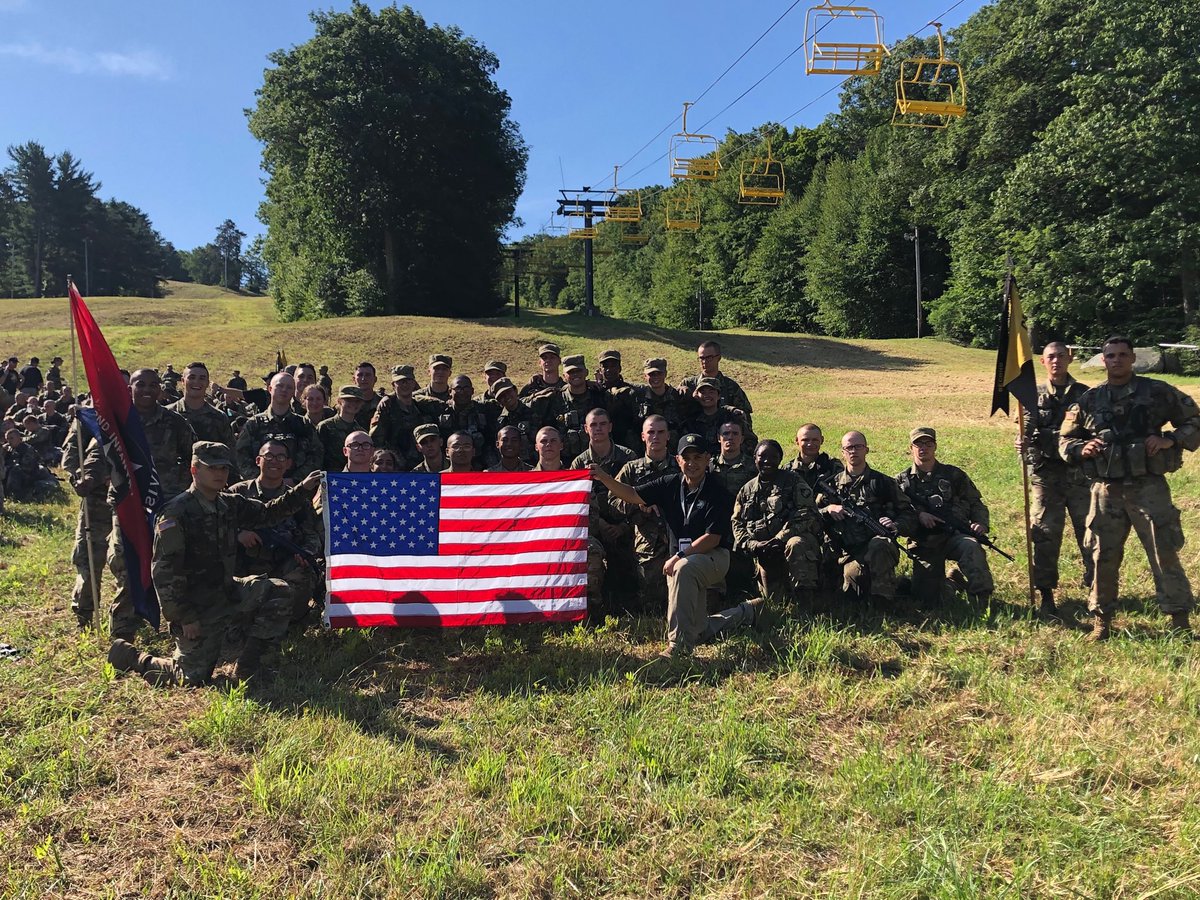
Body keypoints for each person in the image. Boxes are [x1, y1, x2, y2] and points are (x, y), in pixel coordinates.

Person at [107, 442, 324, 686]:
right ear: (194, 470)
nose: (220, 474)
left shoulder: (228, 504)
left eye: (224, 468)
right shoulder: (176, 513)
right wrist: (184, 617)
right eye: (212, 468)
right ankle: (133, 657)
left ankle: (248, 668)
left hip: (227, 591)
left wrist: (303, 490)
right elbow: (165, 572)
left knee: (278, 590)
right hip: (197, 605)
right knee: (190, 677)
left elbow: (268, 513)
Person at [1059, 335, 1200, 640]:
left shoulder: (1157, 392)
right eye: (1111, 355)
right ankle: (1102, 621)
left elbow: (1194, 421)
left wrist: (1170, 439)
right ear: (1103, 360)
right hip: (1105, 490)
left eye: (1123, 355)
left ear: (1133, 358)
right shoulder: (1090, 399)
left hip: (1148, 487)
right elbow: (1065, 440)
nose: (1117, 360)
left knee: (1164, 552)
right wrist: (1082, 448)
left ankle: (1179, 622)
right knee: (1101, 556)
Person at [592, 434, 765, 658]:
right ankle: (748, 612)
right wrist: (604, 478)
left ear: (708, 460)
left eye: (698, 457)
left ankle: (678, 646)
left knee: (682, 568)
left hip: (714, 557)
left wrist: (679, 555)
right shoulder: (670, 483)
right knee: (699, 629)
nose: (692, 463)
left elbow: (713, 538)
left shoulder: (718, 491)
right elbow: (633, 494)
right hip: (684, 559)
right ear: (678, 460)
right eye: (687, 458)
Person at [105, 368, 196, 639]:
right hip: (128, 504)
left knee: (170, 563)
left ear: (161, 389)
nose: (146, 389)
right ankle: (123, 630)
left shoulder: (174, 422)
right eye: (140, 384)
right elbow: (99, 455)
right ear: (129, 387)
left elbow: (194, 457)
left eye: (152, 385)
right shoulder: (118, 422)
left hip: (166, 505)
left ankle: (175, 623)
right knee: (127, 564)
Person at [1018, 342, 1093, 617]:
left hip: (1080, 476)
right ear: (1042, 361)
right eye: (1051, 357)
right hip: (1046, 477)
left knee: (1089, 533)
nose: (1056, 361)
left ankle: (1095, 590)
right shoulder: (1033, 396)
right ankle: (1046, 593)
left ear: (1069, 359)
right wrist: (1023, 440)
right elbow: (1027, 427)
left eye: (1061, 356)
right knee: (1045, 535)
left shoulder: (1085, 394)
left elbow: (1093, 431)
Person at [227, 440, 324, 625]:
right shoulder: (237, 493)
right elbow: (218, 527)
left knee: (305, 573)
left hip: (283, 563)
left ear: (288, 464)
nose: (275, 461)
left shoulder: (298, 499)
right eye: (269, 456)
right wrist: (239, 534)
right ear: (258, 460)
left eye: (281, 457)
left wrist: (307, 552)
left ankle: (290, 621)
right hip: (244, 564)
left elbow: (311, 533)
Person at [896, 427, 994, 604]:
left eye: (928, 443)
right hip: (924, 542)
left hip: (954, 536)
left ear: (935, 446)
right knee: (927, 600)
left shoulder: (953, 475)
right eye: (918, 444)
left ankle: (982, 599)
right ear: (911, 448)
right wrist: (919, 514)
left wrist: (981, 523)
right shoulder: (902, 481)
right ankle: (952, 584)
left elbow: (975, 502)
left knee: (971, 547)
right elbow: (896, 510)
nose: (923, 448)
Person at [817, 431, 916, 603]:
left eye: (858, 447)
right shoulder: (831, 485)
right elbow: (810, 515)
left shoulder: (883, 483)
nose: (853, 451)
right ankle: (897, 585)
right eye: (849, 447)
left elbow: (909, 513)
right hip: (843, 551)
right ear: (843, 452)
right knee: (848, 595)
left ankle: (883, 602)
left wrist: (896, 525)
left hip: (875, 549)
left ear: (866, 450)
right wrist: (827, 510)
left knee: (880, 544)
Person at [732, 440, 823, 607]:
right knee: (774, 604)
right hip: (764, 550)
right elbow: (737, 523)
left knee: (796, 544)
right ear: (755, 458)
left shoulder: (794, 481)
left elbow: (807, 514)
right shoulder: (747, 490)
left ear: (780, 459)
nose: (767, 461)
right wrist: (753, 545)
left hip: (791, 543)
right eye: (762, 456)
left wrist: (781, 538)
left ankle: (806, 604)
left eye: (773, 457)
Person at [571, 409, 637, 614]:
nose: (598, 428)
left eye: (602, 424)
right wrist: (601, 524)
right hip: (595, 526)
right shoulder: (578, 464)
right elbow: (577, 504)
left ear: (610, 427)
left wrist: (623, 527)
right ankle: (596, 607)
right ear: (585, 429)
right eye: (593, 425)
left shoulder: (628, 458)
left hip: (627, 524)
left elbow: (637, 496)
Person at [613, 415, 675, 612]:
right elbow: (612, 500)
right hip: (647, 542)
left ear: (668, 436)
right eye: (650, 432)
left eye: (660, 432)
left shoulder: (681, 466)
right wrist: (637, 505)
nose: (655, 436)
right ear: (642, 436)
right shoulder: (631, 469)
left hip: (678, 538)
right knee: (651, 603)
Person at [62, 415, 112, 629]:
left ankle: (128, 618)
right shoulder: (88, 419)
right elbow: (71, 455)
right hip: (97, 501)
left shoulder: (137, 414)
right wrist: (80, 479)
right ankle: (85, 615)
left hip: (133, 500)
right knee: (89, 559)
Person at [234, 371, 319, 480]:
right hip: (259, 491)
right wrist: (261, 481)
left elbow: (316, 457)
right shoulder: (254, 424)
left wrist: (295, 481)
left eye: (289, 387)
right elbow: (241, 457)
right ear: (270, 389)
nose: (284, 390)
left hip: (296, 491)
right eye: (280, 386)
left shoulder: (304, 424)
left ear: (293, 392)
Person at [534, 355, 609, 461]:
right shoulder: (554, 399)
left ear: (586, 372)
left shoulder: (599, 397)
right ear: (564, 376)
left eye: (578, 371)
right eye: (571, 372)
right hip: (564, 462)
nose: (575, 375)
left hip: (597, 459)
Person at [370, 364, 444, 469]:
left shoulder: (422, 405)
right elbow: (376, 441)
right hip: (396, 468)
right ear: (393, 385)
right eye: (400, 382)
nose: (405, 384)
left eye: (408, 381)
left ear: (414, 383)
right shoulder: (386, 408)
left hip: (421, 466)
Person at [168, 362, 236, 463]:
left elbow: (231, 456)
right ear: (182, 381)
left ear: (208, 383)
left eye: (202, 378)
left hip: (210, 477)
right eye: (192, 377)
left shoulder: (219, 418)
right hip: (174, 477)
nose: (196, 382)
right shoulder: (168, 415)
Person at [678, 340, 752, 429]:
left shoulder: (731, 387)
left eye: (709, 357)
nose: (705, 361)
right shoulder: (688, 384)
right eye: (701, 358)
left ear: (719, 358)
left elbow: (744, 419)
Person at [681, 377, 753, 450]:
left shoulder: (731, 416)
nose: (707, 395)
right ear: (697, 396)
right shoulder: (691, 420)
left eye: (711, 392)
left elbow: (750, 440)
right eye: (703, 392)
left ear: (719, 396)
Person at [634, 358, 692, 448]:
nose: (655, 377)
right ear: (645, 376)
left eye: (659, 373)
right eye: (651, 374)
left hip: (673, 450)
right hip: (646, 449)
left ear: (665, 374)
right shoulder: (637, 396)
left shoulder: (678, 396)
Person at [437, 376, 489, 469]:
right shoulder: (440, 410)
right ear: (450, 392)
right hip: (448, 464)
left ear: (472, 391)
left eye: (466, 388)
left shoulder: (485, 409)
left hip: (480, 463)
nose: (462, 392)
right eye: (458, 388)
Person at [316, 386, 367, 471]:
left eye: (357, 401)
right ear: (339, 401)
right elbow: (317, 457)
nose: (353, 404)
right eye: (349, 400)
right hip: (329, 477)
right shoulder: (325, 427)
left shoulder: (361, 432)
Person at [3, 425, 56, 501]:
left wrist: (8, 468)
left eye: (11, 438)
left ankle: (15, 495)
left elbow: (26, 467)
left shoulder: (27, 449)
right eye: (7, 439)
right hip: (15, 475)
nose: (9, 441)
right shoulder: (9, 449)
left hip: (29, 475)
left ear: (19, 438)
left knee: (15, 470)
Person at [786, 424, 843, 490]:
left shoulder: (833, 466)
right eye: (805, 440)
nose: (810, 444)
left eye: (815, 440)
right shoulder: (788, 470)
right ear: (797, 441)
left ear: (822, 440)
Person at [352, 362, 382, 428]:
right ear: (354, 379)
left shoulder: (384, 404)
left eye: (368, 375)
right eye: (360, 375)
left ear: (375, 379)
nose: (363, 379)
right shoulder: (347, 404)